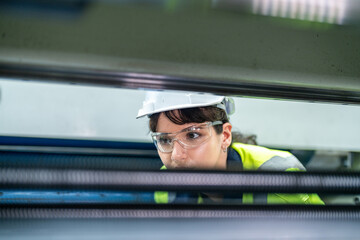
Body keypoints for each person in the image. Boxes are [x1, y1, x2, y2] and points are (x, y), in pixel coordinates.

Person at [137, 91, 324, 205]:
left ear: (225, 136)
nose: (177, 156)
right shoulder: (166, 187)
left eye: (193, 135)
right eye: (165, 140)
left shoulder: (280, 180)